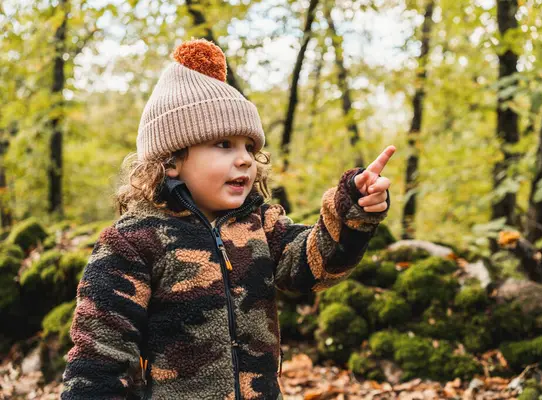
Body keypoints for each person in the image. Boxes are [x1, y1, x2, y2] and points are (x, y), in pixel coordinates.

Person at [60, 38, 395, 400]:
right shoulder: (134, 242)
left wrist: (351, 209)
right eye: (224, 145)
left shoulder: (261, 225)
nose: (246, 160)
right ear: (170, 161)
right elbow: (101, 357)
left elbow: (313, 268)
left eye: (249, 147)